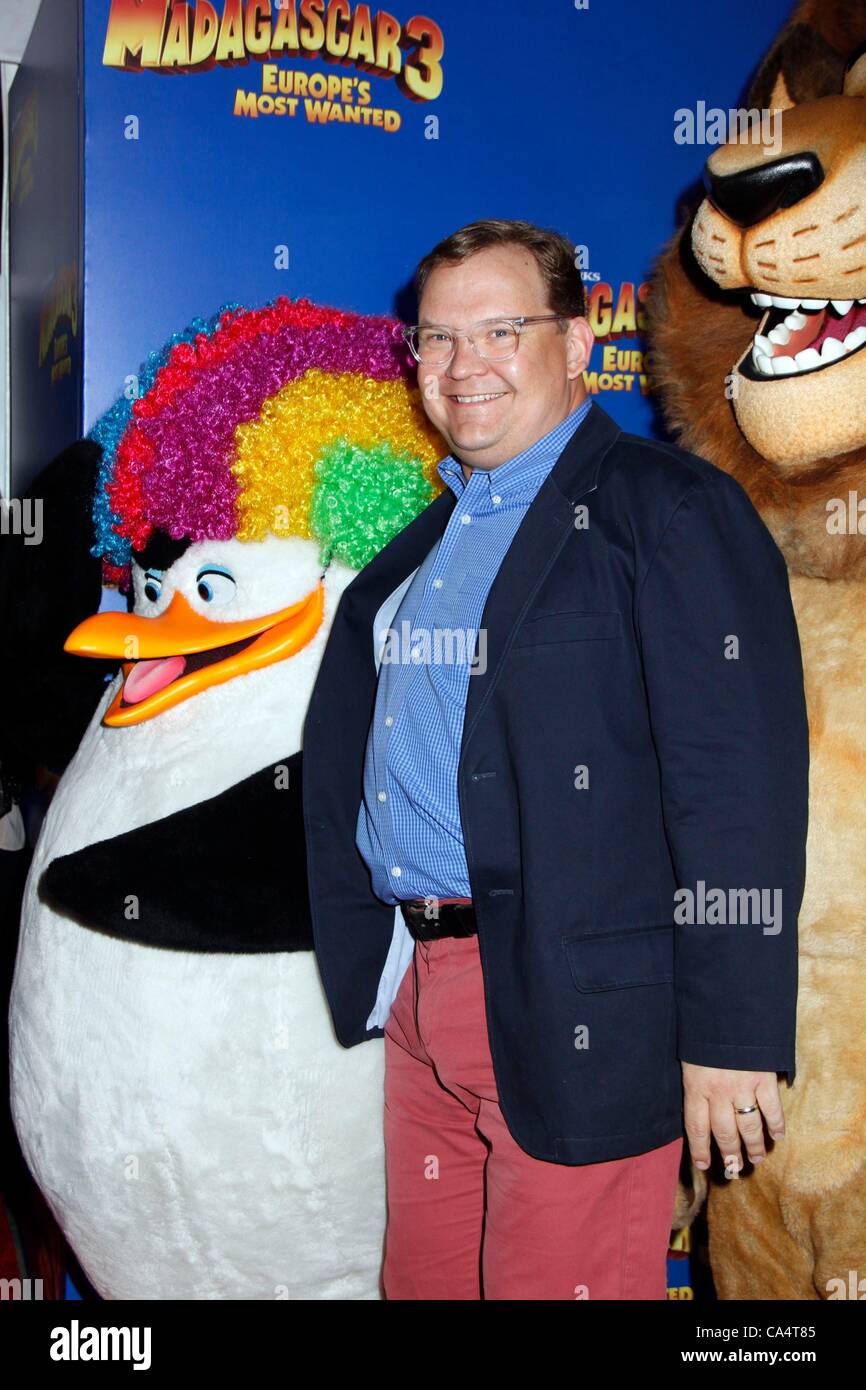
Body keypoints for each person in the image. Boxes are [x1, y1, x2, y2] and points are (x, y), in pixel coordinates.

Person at [302, 218, 809, 1300]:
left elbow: (735, 784)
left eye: (498, 328)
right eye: (434, 339)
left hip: (580, 1003)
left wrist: (728, 1034)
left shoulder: (667, 510)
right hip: (422, 997)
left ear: (579, 344)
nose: (460, 365)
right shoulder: (429, 538)